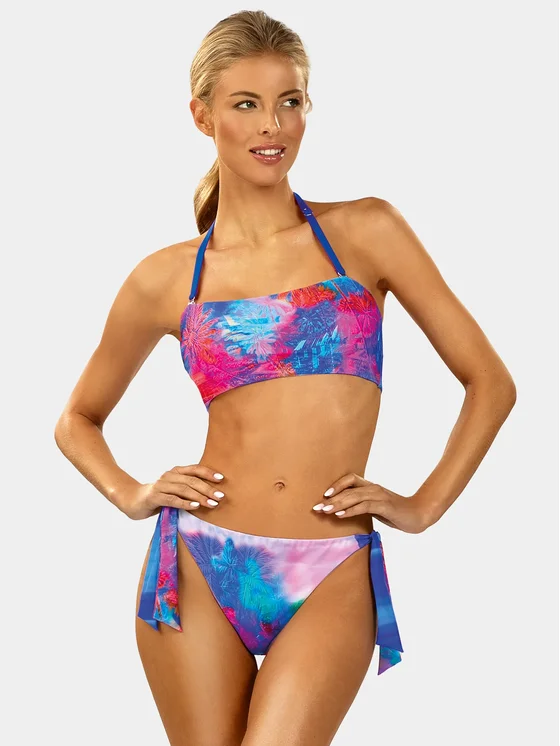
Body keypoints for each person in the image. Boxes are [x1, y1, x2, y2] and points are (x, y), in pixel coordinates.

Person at [54, 9, 517, 746]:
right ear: (202, 116)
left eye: (290, 101)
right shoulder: (165, 278)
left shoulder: (366, 231)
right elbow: (77, 419)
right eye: (246, 104)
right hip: (197, 560)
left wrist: (425, 506)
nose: (273, 125)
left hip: (332, 564)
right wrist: (132, 493)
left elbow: (490, 381)